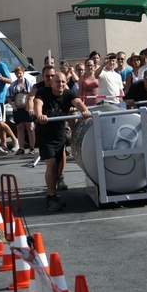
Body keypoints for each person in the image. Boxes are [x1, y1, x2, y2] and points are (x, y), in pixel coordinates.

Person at [34, 71, 91, 212]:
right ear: (51, 83)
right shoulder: (43, 92)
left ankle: (56, 187)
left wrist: (84, 111)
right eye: (57, 82)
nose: (60, 84)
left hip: (59, 136)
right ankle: (51, 198)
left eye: (63, 82)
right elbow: (37, 103)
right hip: (45, 136)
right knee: (51, 165)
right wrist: (39, 115)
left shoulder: (68, 94)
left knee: (58, 165)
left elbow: (78, 102)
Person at [8, 66, 34, 155]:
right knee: (19, 128)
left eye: (20, 73)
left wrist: (31, 107)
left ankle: (32, 147)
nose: (19, 75)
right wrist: (13, 106)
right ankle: (21, 148)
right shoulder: (13, 85)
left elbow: (33, 95)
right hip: (17, 109)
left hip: (27, 109)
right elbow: (9, 97)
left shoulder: (28, 83)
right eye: (17, 74)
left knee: (30, 128)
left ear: (23, 73)